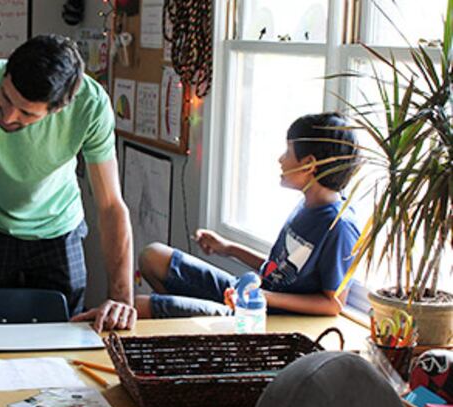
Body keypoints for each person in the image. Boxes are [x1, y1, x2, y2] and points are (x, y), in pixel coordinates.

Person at [0, 34, 136, 337]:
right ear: (6, 74)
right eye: (6, 97)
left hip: (60, 227)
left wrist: (122, 299)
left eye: (26, 113)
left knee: (65, 337)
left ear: (58, 109)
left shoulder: (91, 105)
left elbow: (111, 206)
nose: (9, 116)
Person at [135, 112, 361, 318]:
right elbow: (278, 270)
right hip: (250, 295)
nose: (281, 159)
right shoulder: (308, 204)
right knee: (152, 256)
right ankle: (184, 319)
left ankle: (186, 321)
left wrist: (262, 298)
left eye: (288, 152)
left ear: (309, 165)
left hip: (262, 314)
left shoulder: (340, 226)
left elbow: (333, 304)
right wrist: (228, 248)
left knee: (139, 308)